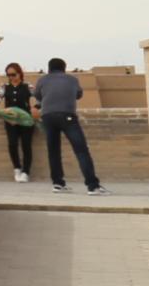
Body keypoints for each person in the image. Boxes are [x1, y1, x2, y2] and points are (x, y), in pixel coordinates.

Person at [33, 56, 106, 195]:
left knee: (53, 151)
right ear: (64, 68)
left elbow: (37, 95)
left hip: (48, 117)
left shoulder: (42, 80)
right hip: (67, 116)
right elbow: (78, 94)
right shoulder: (72, 79)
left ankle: (58, 184)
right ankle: (93, 186)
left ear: (49, 68)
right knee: (81, 150)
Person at [0, 63, 37, 182]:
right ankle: (17, 168)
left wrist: (35, 108)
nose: (11, 77)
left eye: (13, 74)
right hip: (10, 121)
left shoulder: (28, 86)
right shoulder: (4, 87)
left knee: (26, 145)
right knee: (12, 144)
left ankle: (26, 172)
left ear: (19, 73)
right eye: (8, 75)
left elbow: (40, 97)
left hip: (26, 120)